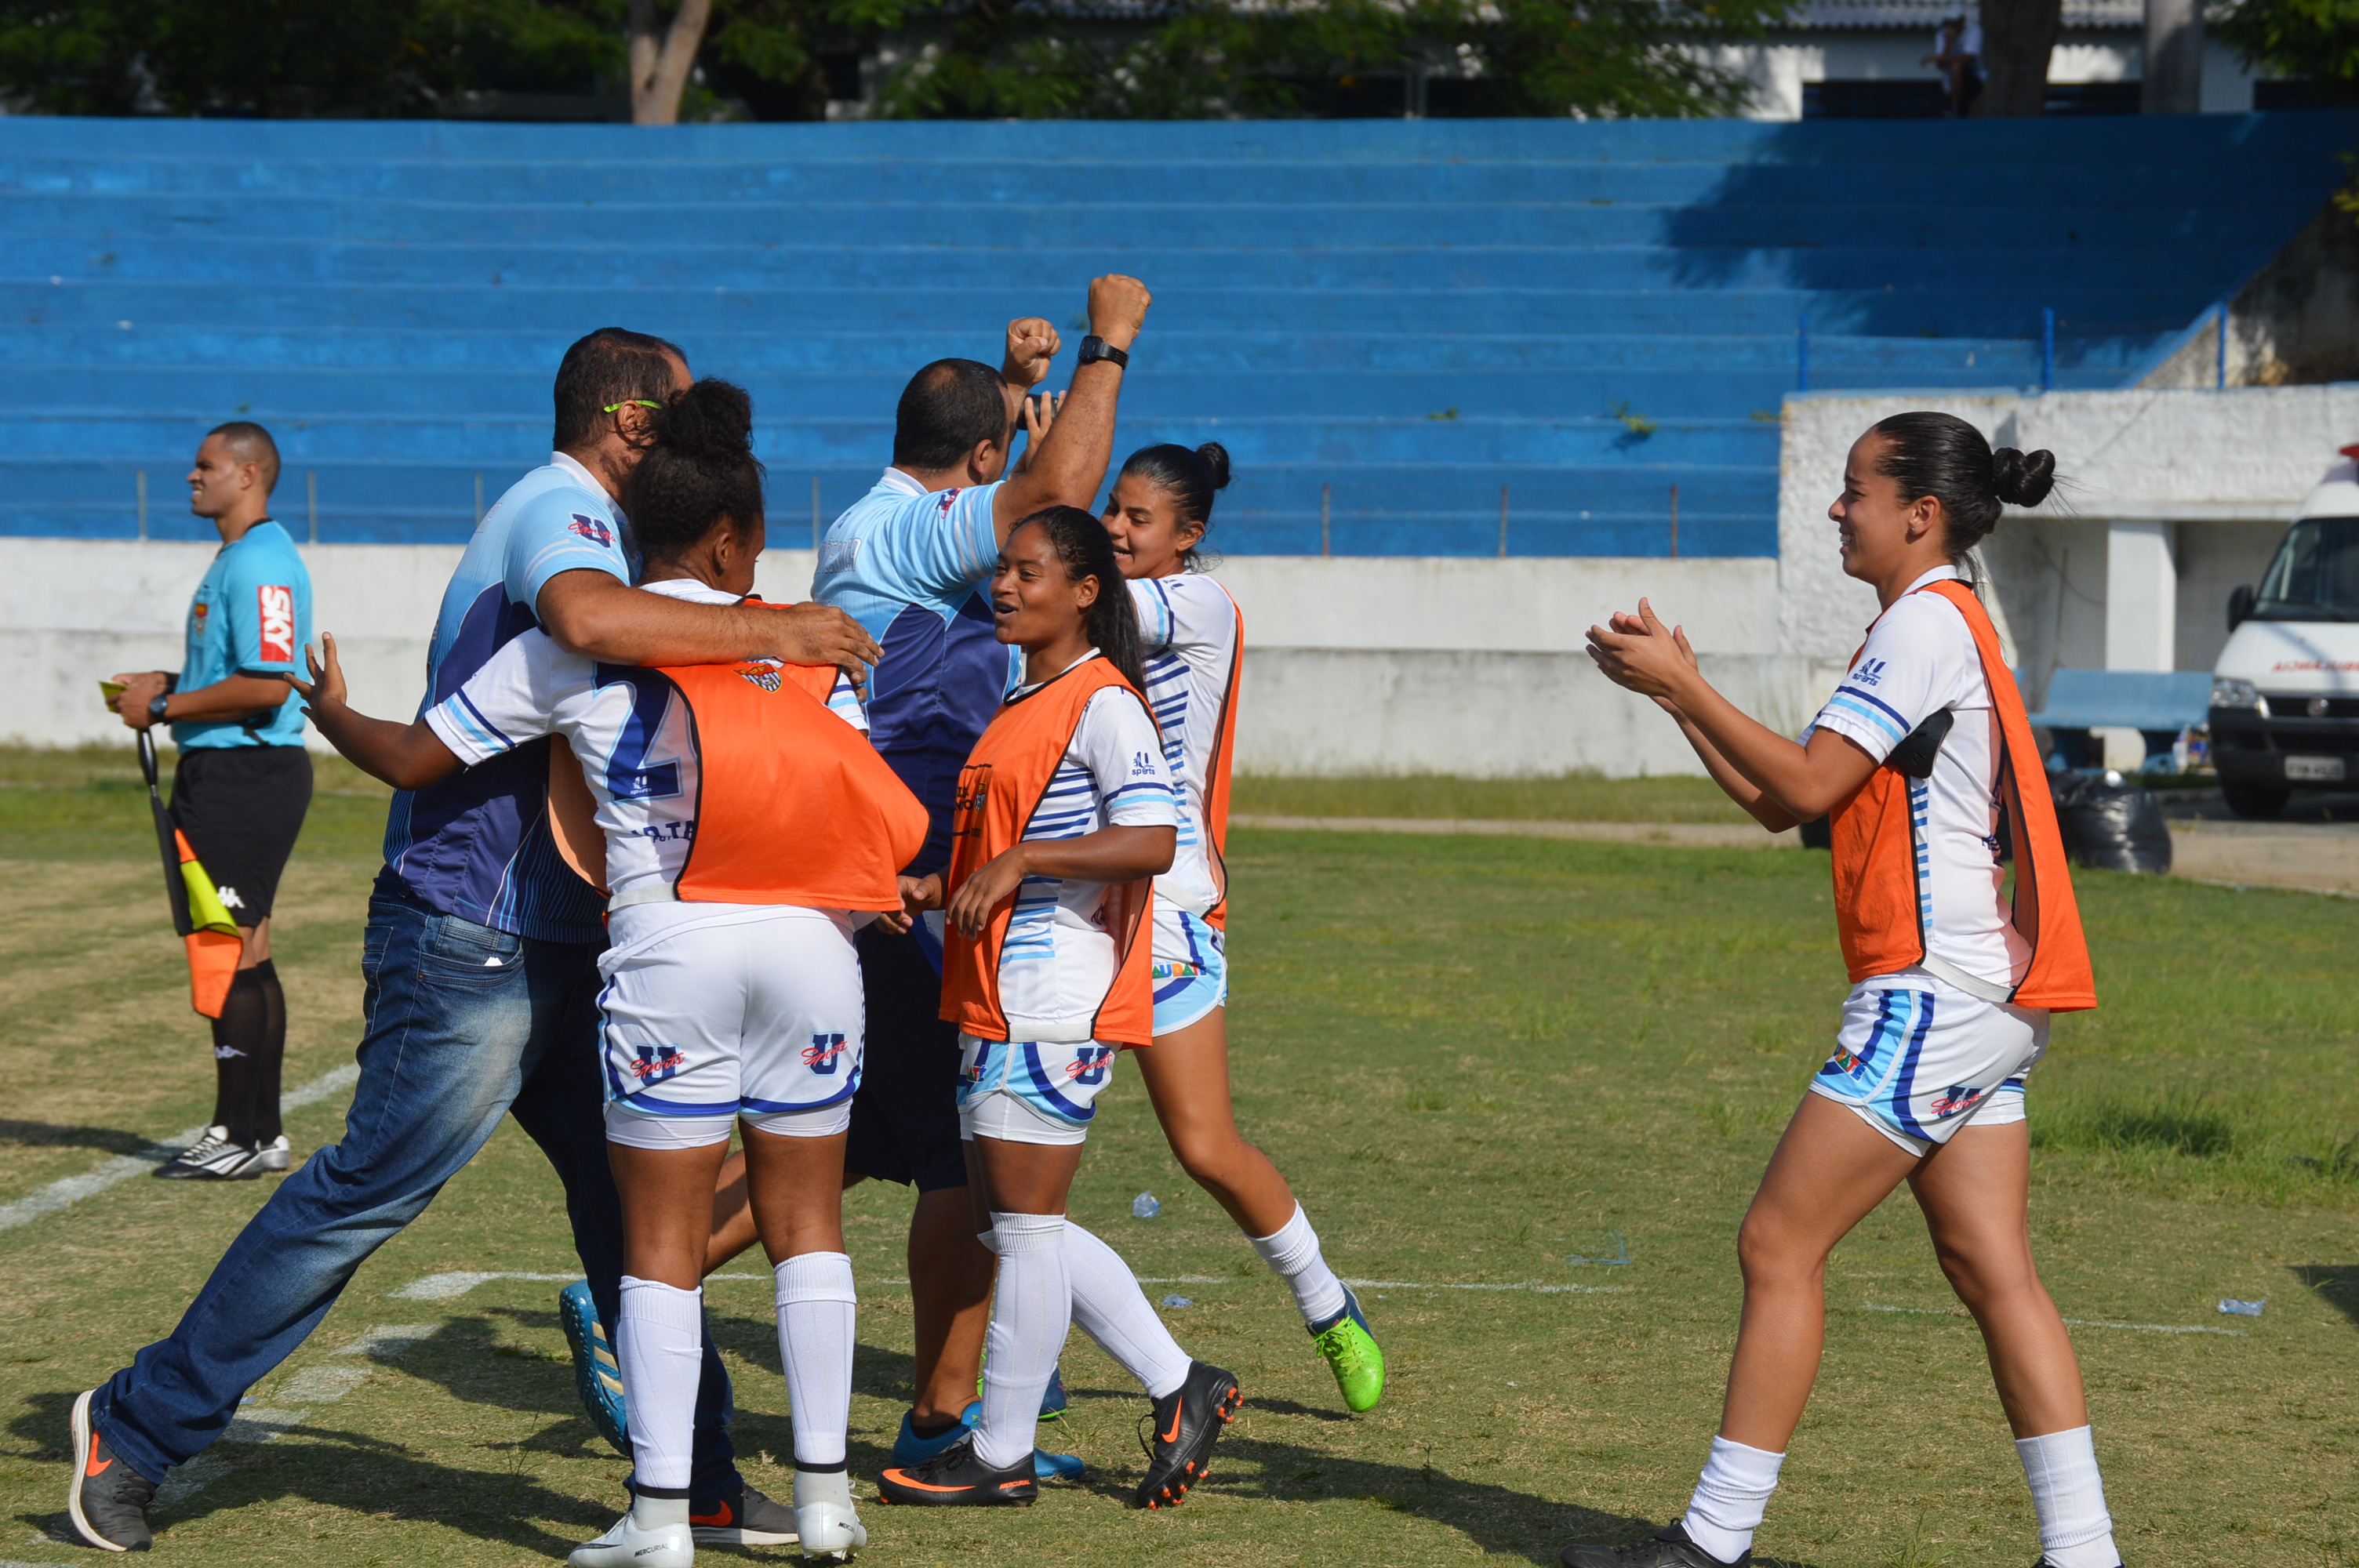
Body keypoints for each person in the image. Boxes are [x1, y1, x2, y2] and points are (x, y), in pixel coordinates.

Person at [67, 329, 881, 1555]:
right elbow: (591, 622)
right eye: (678, 412)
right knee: (367, 1193)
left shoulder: (604, 526)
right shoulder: (562, 512)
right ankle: (131, 1432)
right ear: (629, 424)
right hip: (476, 933)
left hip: (565, 940)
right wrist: (777, 632)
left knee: (635, 1222)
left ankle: (700, 1482)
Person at [289, 380, 925, 1566]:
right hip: (812, 956)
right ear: (736, 539)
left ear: (645, 534)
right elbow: (854, 803)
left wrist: (332, 711)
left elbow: (419, 757)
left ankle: (663, 1519)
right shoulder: (825, 645)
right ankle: (828, 1505)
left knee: (661, 1252)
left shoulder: (572, 648)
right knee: (809, 1228)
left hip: (667, 951)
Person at [1566, 412, 2121, 1568]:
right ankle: (2085, 1554)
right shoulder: (1941, 617)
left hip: (1935, 995)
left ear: (1920, 515)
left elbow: (1810, 784)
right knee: (1992, 1271)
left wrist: (1686, 685)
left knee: (1777, 1243)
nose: (1836, 509)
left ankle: (1713, 1545)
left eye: (1854, 490)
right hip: (1984, 1001)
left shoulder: (1921, 624)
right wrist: (1681, 695)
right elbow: (1785, 803)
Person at [669, 280, 1150, 1480]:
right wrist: (1110, 347)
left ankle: (641, 1290)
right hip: (894, 885)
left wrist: (1017, 388)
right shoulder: (902, 533)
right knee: (962, 1158)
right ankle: (947, 1419)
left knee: (852, 1142)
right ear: (977, 468)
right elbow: (1055, 500)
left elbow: (1013, 496)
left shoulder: (880, 527)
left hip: (898, 885)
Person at [875, 506, 1240, 1510]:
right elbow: (1016, 840)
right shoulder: (1023, 697)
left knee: (1024, 1231)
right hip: (1000, 992)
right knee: (1011, 1223)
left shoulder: (1102, 701)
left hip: (1054, 998)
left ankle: (1000, 1452)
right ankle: (1179, 1383)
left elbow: (1151, 838)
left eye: (1029, 572)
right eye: (1002, 568)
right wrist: (935, 884)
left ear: (1084, 592)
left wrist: (1023, 859)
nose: (1004, 585)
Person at [1101, 441, 1383, 1410]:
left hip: (1169, 904)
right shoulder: (1079, 595)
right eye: (1109, 509)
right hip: (1067, 904)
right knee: (1003, 1148)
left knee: (1205, 1147)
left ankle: (1329, 1306)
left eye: (1139, 519)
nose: (1115, 529)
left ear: (1188, 536)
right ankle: (1018, 1372)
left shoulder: (1197, 603)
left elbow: (1080, 601)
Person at [108, 421, 314, 1181]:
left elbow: (267, 684)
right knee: (246, 947)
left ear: (249, 474)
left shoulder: (261, 560)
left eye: (206, 466)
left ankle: (234, 1130)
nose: (192, 478)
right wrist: (170, 684)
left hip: (246, 778)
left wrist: (164, 712)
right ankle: (260, 1133)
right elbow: (236, 674)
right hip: (230, 773)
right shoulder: (239, 557)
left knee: (224, 947)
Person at [1922, 15, 1983, 116]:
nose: (1953, 28)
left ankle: (1954, 109)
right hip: (1951, 83)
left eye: (1955, 24)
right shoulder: (1943, 35)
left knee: (1957, 67)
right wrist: (1948, 42)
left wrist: (1936, 58)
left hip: (1971, 78)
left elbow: (1965, 59)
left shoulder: (1972, 31)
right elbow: (1941, 65)